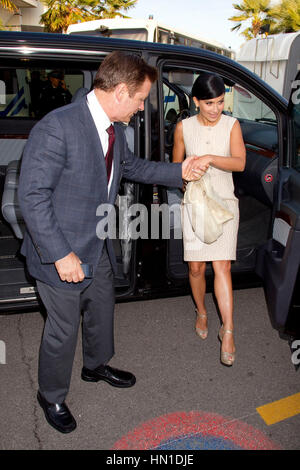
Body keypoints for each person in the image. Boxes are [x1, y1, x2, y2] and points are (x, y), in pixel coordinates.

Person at [18, 51, 208, 434]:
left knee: (102, 309)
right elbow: (32, 197)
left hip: (97, 243)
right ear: (121, 91)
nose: (141, 108)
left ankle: (95, 365)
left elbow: (131, 167)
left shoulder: (113, 129)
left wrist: (180, 170)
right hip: (62, 253)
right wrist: (60, 254)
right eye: (140, 100)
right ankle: (51, 395)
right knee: (63, 328)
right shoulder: (59, 126)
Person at [173, 73, 246, 367]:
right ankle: (201, 311)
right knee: (195, 268)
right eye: (208, 103)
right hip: (196, 206)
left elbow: (240, 163)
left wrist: (209, 159)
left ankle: (227, 330)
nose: (216, 109)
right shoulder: (183, 128)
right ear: (195, 102)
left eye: (219, 102)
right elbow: (175, 168)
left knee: (222, 266)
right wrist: (188, 176)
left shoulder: (232, 125)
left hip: (225, 205)